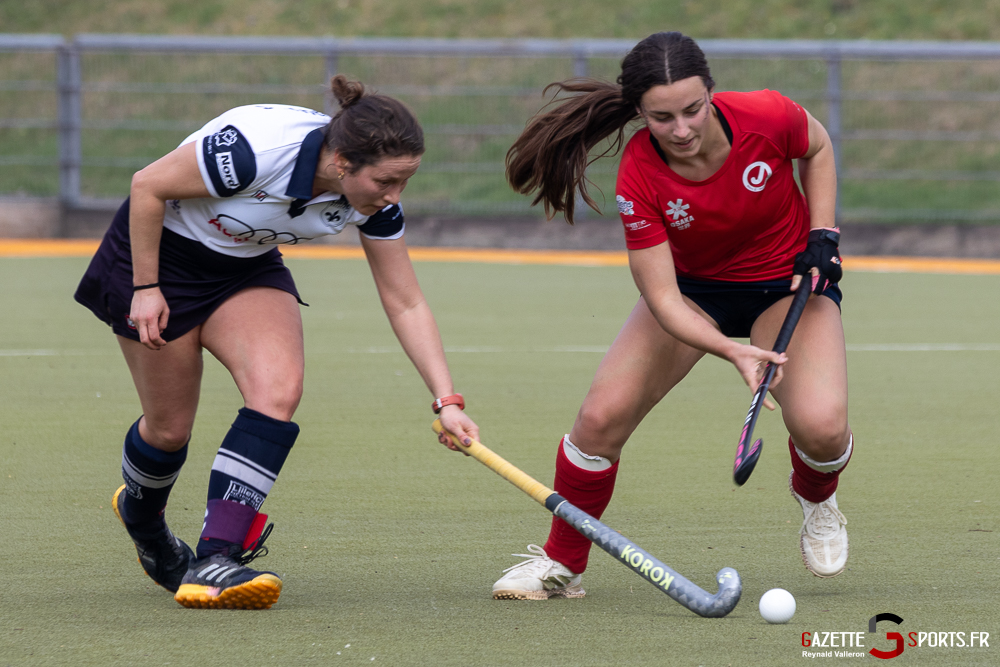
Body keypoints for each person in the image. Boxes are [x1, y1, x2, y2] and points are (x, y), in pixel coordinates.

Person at [74, 75, 479, 610]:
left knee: (277, 392)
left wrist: (446, 399)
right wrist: (145, 288)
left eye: (405, 181)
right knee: (169, 430)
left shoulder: (372, 204)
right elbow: (147, 185)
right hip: (157, 257)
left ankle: (216, 558)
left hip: (244, 266)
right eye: (386, 181)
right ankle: (143, 520)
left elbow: (404, 300)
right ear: (341, 164)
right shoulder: (253, 151)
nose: (393, 196)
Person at [489, 31, 851, 599]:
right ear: (639, 114)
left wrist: (822, 233)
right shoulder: (639, 174)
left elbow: (820, 146)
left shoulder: (768, 115)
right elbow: (661, 298)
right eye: (661, 118)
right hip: (692, 293)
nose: (681, 130)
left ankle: (817, 496)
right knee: (600, 419)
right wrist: (731, 349)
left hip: (785, 283)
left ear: (711, 92)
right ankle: (562, 564)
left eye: (692, 110)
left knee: (823, 429)